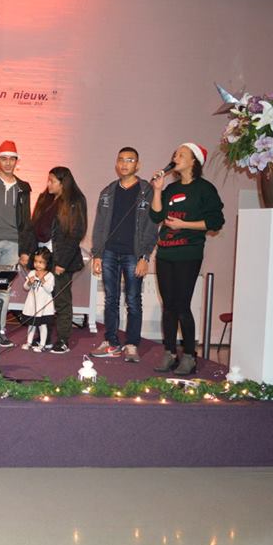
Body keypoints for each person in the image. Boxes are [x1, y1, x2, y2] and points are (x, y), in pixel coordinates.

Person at [149, 143, 225, 376]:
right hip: (165, 253)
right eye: (175, 154)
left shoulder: (205, 189)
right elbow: (156, 215)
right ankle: (170, 352)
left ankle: (190, 356)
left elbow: (215, 222)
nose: (176, 157)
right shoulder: (171, 188)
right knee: (168, 306)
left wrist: (184, 224)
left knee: (182, 305)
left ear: (194, 161)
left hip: (188, 253)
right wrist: (158, 190)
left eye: (182, 154)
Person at [89, 147, 158, 363]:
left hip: (134, 254)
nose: (124, 164)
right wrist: (97, 254)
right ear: (116, 164)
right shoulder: (108, 191)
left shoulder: (146, 191)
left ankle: (131, 344)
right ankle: (111, 341)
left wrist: (145, 256)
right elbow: (100, 224)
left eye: (130, 160)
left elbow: (152, 225)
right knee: (111, 299)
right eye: (121, 160)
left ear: (138, 165)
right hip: (109, 252)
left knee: (133, 300)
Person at [27, 166, 87, 354]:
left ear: (63, 183)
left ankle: (62, 339)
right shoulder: (45, 199)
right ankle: (42, 337)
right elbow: (33, 226)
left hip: (61, 257)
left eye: (52, 181)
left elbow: (76, 233)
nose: (48, 184)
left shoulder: (75, 201)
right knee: (41, 298)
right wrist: (28, 252)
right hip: (43, 256)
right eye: (48, 180)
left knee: (61, 300)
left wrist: (62, 262)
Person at [0, 140, 33, 348]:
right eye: (4, 159)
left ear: (17, 161)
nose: (8, 163)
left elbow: (26, 220)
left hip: (13, 244)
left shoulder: (23, 187)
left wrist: (25, 249)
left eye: (12, 159)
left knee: (4, 290)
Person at [21, 247, 55, 352]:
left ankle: (42, 344)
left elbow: (50, 289)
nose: (37, 265)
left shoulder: (50, 275)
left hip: (44, 306)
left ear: (47, 263)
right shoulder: (32, 273)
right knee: (31, 324)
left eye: (41, 262)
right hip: (32, 305)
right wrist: (29, 282)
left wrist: (42, 280)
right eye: (36, 261)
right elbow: (25, 287)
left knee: (42, 325)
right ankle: (29, 342)